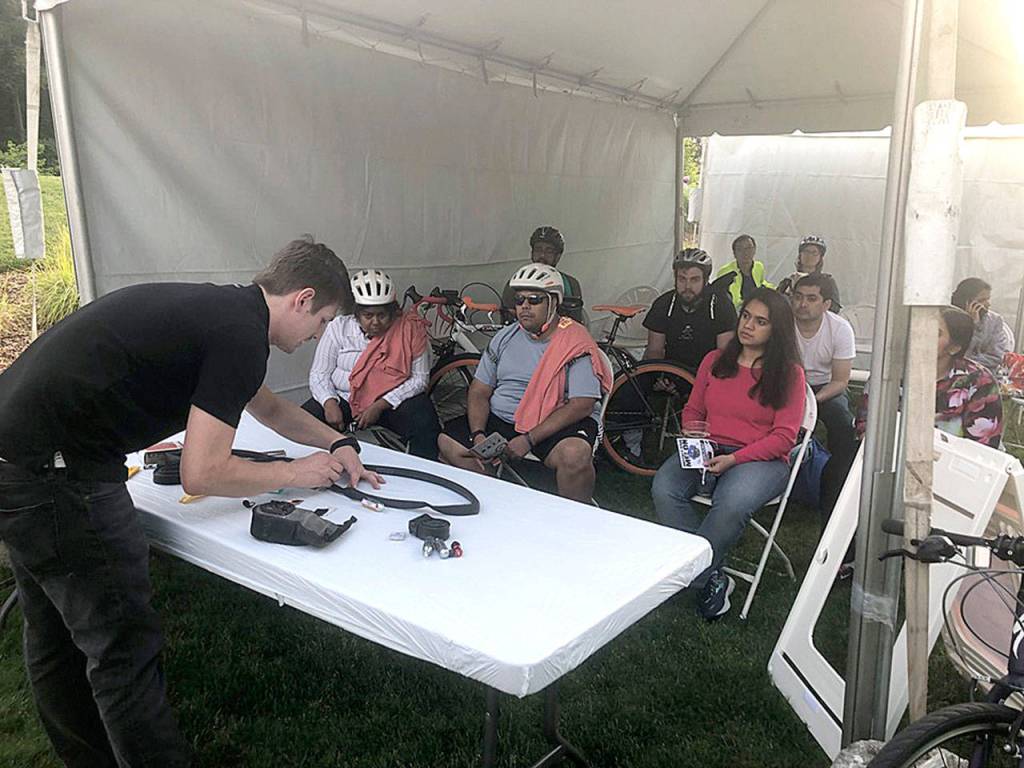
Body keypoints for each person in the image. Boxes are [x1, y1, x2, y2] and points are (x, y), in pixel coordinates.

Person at [0, 236, 383, 768]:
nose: (317, 336)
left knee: (54, 636)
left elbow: (270, 409)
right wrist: (295, 472)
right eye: (321, 322)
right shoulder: (240, 335)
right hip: (59, 476)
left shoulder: (226, 312)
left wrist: (338, 443)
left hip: (16, 455)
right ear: (303, 299)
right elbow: (201, 473)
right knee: (123, 650)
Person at [652, 288, 805, 620]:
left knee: (732, 501)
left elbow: (784, 437)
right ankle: (711, 574)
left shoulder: (788, 373)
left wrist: (735, 459)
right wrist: (692, 432)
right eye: (746, 316)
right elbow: (694, 409)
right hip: (709, 446)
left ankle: (689, 575)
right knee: (664, 487)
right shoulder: (715, 360)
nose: (748, 325)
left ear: (776, 329)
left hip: (760, 458)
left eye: (761, 321)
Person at [440, 263, 611, 502]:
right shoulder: (505, 337)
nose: (525, 306)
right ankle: (498, 497)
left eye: (534, 299)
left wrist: (529, 439)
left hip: (553, 423)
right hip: (503, 419)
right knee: (447, 442)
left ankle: (575, 519)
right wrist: (478, 434)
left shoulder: (575, 341)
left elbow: (582, 404)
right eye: (519, 300)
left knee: (575, 456)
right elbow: (479, 391)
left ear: (554, 302)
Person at [304, 268, 441, 459]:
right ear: (357, 314)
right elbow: (320, 373)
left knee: (424, 421)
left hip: (391, 401)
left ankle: (423, 470)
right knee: (303, 423)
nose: (375, 322)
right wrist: (329, 402)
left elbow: (419, 379)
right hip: (344, 398)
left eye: (382, 315)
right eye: (368, 316)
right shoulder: (339, 328)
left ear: (392, 313)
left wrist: (380, 405)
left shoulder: (409, 331)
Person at [856, 306, 1003, 447]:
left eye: (936, 332)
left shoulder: (979, 382)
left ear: (954, 348)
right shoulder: (890, 372)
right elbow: (865, 423)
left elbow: (984, 443)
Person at [790, 273, 858, 515]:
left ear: (827, 304)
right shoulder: (782, 324)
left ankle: (836, 485)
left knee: (843, 422)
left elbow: (840, 381)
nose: (802, 304)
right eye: (798, 297)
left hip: (825, 388)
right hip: (788, 385)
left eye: (811, 298)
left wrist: (811, 402)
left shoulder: (840, 329)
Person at [642, 247, 737, 372]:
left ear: (705, 280)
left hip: (709, 373)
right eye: (682, 279)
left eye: (694, 280)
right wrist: (659, 377)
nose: (687, 286)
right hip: (672, 372)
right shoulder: (663, 305)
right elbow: (655, 351)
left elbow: (723, 355)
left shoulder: (721, 306)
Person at [501, 226, 585, 322]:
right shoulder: (516, 283)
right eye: (538, 249)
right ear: (532, 253)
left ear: (558, 256)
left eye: (549, 251)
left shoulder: (571, 284)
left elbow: (577, 320)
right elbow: (507, 319)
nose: (542, 255)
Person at [951, 277, 1015, 372]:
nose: (988, 304)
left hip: (985, 373)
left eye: (988, 299)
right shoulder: (951, 320)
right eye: (981, 300)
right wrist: (971, 325)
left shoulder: (995, 321)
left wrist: (969, 363)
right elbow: (957, 353)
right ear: (966, 302)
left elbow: (996, 357)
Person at [777, 235, 843, 313]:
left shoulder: (827, 281)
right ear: (800, 255)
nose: (809, 255)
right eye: (806, 251)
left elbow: (834, 308)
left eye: (814, 252)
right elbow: (776, 304)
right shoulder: (788, 281)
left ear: (820, 257)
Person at [716, 234, 775, 309]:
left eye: (749, 248)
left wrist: (775, 290)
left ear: (754, 250)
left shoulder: (759, 266)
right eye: (740, 249)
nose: (745, 253)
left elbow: (761, 283)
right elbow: (727, 300)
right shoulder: (725, 272)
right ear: (734, 253)